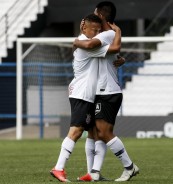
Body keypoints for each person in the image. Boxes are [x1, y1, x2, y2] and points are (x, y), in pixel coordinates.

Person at [50, 13, 121, 182]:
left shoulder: (88, 43)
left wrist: (120, 60)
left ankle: (91, 173)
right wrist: (117, 33)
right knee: (76, 130)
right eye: (93, 30)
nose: (96, 34)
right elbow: (113, 49)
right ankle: (58, 167)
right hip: (81, 94)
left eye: (98, 30)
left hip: (87, 94)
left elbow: (111, 57)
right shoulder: (86, 45)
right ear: (83, 27)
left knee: (93, 132)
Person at [74, 1, 139, 182]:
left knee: (103, 132)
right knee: (94, 132)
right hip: (99, 90)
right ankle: (93, 172)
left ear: (101, 15)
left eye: (95, 13)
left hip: (107, 91)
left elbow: (90, 44)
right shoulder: (107, 34)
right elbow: (113, 54)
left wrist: (77, 40)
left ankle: (129, 167)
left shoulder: (109, 33)